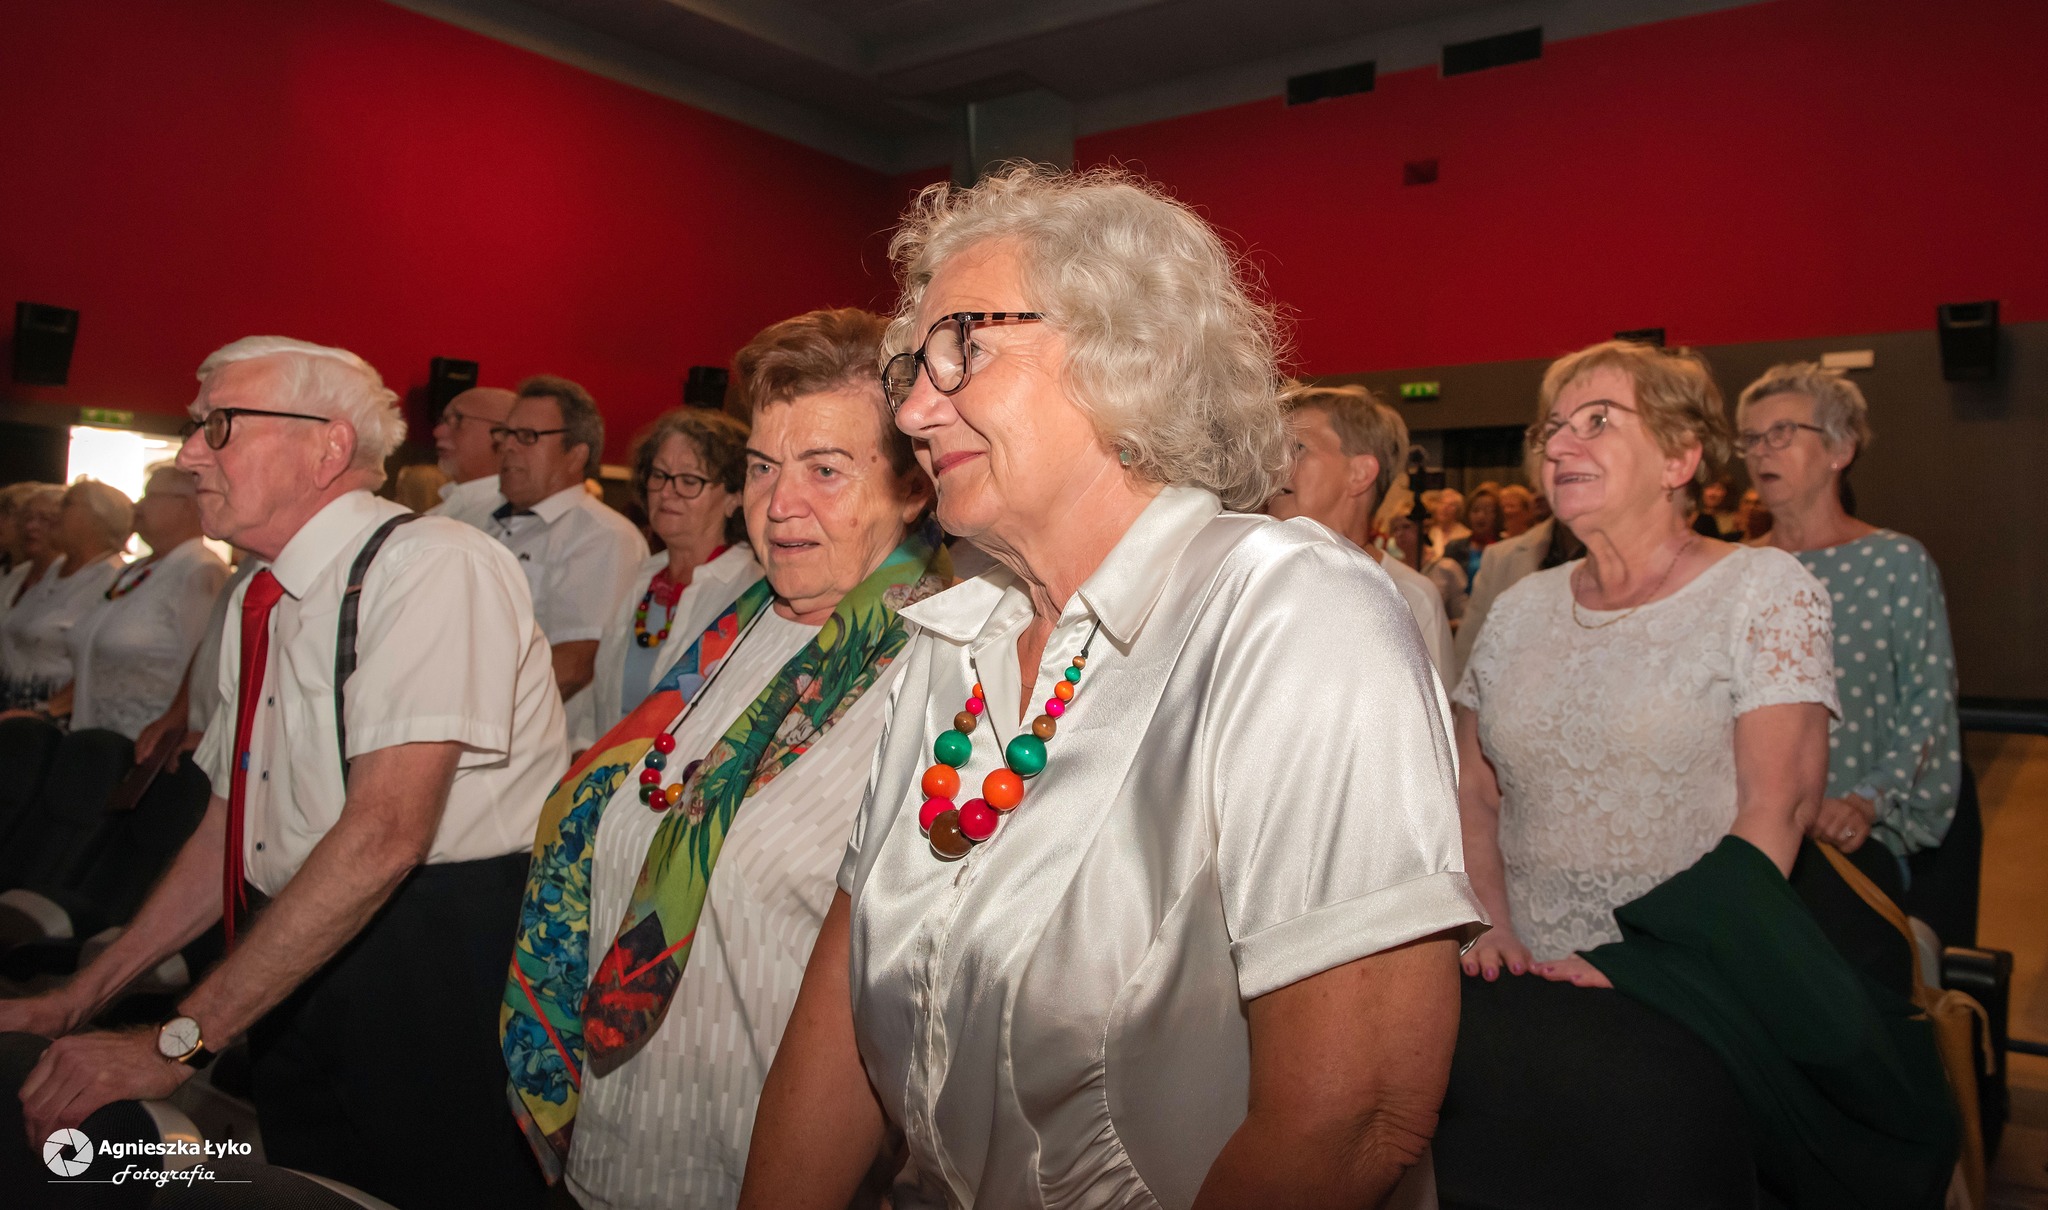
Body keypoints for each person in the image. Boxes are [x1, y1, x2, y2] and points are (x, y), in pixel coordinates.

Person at [740, 166, 1481, 1210]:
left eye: (960, 348)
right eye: (912, 367)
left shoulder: (1289, 612)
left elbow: (1356, 1117)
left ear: (1125, 355)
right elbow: (838, 1015)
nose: (911, 408)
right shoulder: (952, 643)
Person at [2, 336, 566, 1209]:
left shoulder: (431, 565)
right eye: (194, 428)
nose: (190, 454)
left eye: (219, 425)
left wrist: (175, 1044)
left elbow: (384, 835)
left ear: (327, 446)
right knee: (310, 1185)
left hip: (426, 965)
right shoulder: (260, 594)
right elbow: (231, 826)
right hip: (295, 948)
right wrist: (80, 997)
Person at [503, 308, 946, 1208]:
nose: (779, 504)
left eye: (825, 469)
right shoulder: (731, 633)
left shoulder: (942, 681)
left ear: (913, 490)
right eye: (761, 467)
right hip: (608, 1155)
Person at [1454, 340, 1835, 974]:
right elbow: (1474, 791)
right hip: (1519, 970)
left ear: (1679, 458)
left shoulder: (1762, 591)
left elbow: (1778, 808)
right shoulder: (1519, 606)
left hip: (1691, 973)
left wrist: (1648, 964)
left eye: (1597, 421)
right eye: (1552, 428)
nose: (1557, 447)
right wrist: (1487, 930)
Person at [1738, 362, 1960, 882]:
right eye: (1750, 438)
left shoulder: (1895, 562)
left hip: (1854, 845)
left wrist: (1865, 801)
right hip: (1748, 842)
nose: (1761, 451)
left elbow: (1929, 706)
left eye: (1782, 433)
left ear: (1840, 449)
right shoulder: (1733, 568)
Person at [579, 407, 759, 750]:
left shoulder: (751, 591)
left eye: (689, 481)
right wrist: (584, 748)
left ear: (735, 497)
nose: (666, 492)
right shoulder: (641, 575)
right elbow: (598, 698)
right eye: (659, 475)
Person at [1267, 382, 1458, 682]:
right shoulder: (1259, 579)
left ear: (1360, 474)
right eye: (1273, 451)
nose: (1275, 465)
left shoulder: (1412, 598)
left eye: (1298, 448)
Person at [490, 375, 647, 722]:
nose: (508, 447)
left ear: (576, 455)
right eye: (505, 434)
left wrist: (475, 714)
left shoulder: (602, 536)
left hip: (529, 736)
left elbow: (575, 664)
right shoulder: (492, 523)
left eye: (527, 436)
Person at [58, 466, 228, 739]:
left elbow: (206, 667)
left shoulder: (200, 570)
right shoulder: (133, 571)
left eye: (149, 496)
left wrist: (175, 727)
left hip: (145, 745)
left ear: (186, 506)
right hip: (94, 740)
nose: (136, 506)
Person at [0, 480, 131, 713]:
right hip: (15, 706)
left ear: (96, 519)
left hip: (57, 716)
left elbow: (107, 665)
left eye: (66, 504)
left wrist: (45, 712)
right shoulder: (50, 573)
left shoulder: (115, 580)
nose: (54, 516)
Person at [429, 384, 519, 527]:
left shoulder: (509, 518)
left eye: (457, 420)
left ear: (504, 433)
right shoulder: (434, 514)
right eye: (443, 420)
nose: (438, 432)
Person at [1443, 486, 1502, 589]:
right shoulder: (1454, 547)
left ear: (1497, 515)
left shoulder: (1506, 548)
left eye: (1488, 511)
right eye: (1475, 510)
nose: (1481, 516)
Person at [1423, 486, 1469, 562]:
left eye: (1451, 505)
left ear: (1458, 510)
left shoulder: (1465, 535)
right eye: (1442, 503)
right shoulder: (1428, 531)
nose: (1445, 508)